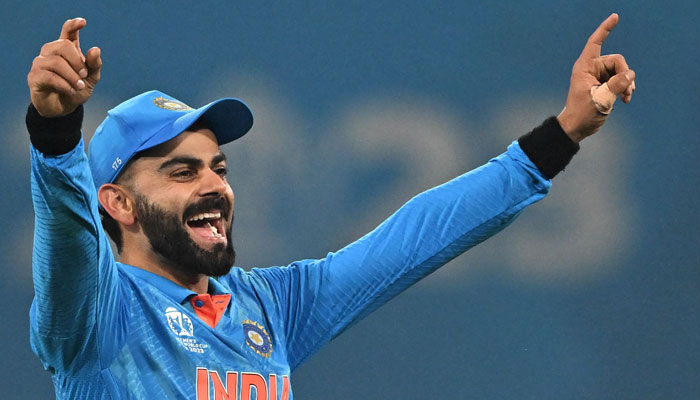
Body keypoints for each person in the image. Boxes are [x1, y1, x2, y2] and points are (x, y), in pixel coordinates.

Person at [26, 14, 635, 400]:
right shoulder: (96, 315)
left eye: (219, 168)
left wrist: (565, 133)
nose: (213, 186)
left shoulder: (270, 306)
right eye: (182, 172)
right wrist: (57, 138)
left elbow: (416, 236)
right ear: (120, 204)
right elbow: (69, 238)